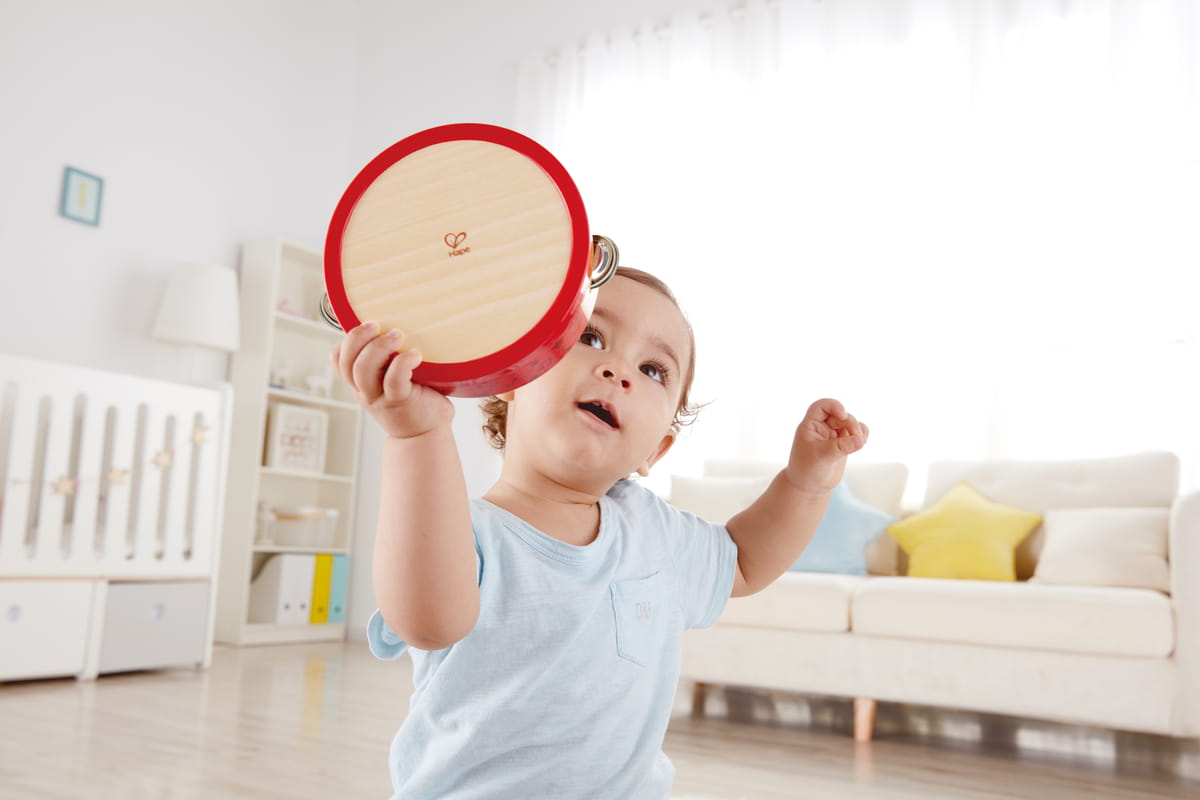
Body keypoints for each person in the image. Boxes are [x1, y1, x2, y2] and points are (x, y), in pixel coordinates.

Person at [331, 266, 869, 799]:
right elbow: (429, 622)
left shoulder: (652, 530)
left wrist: (806, 482)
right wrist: (418, 436)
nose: (618, 370)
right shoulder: (460, 528)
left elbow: (745, 561)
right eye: (590, 337)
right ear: (515, 377)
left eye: (653, 369)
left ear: (656, 450)